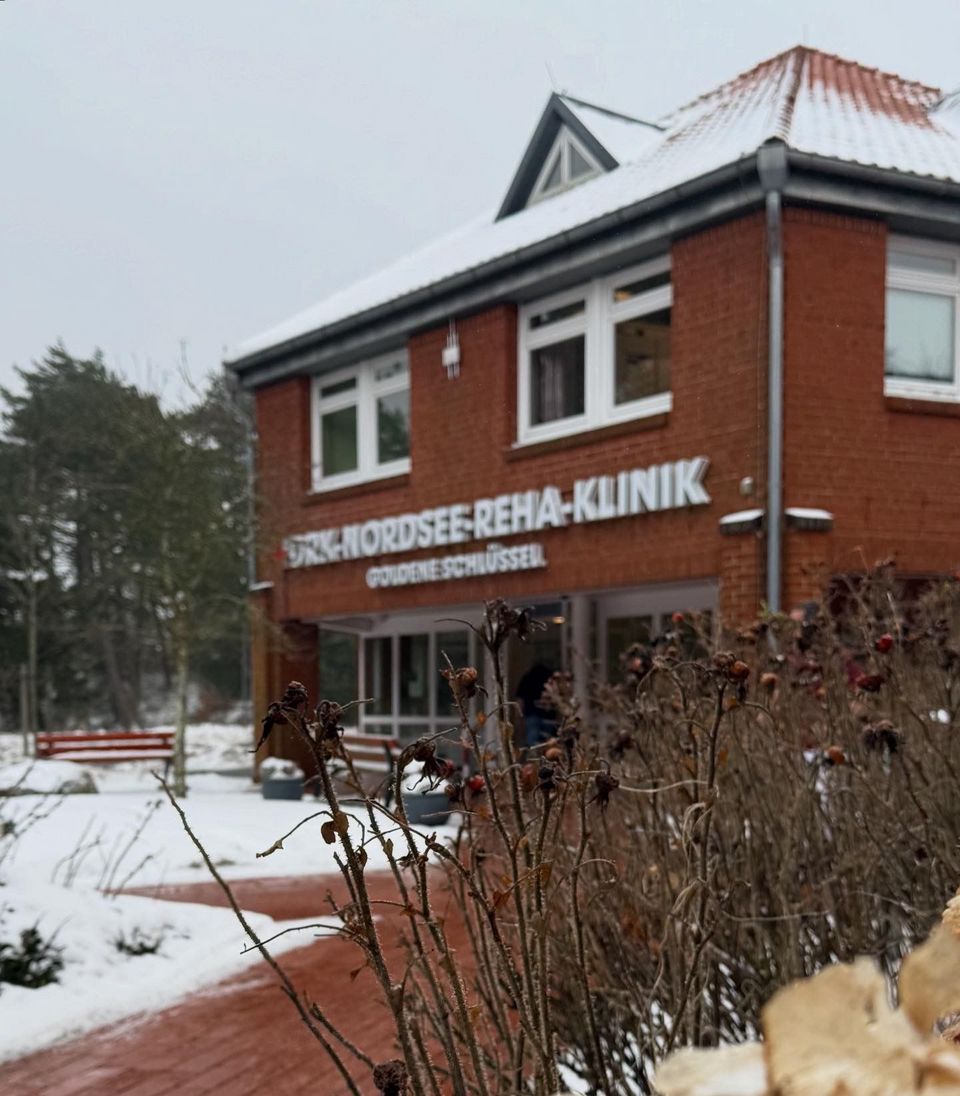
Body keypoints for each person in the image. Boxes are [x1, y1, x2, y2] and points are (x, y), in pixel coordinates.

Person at [514, 661, 555, 750]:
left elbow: (520, 700)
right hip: (548, 716)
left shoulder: (527, 678)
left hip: (531, 715)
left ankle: (534, 760)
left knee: (533, 745)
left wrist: (518, 718)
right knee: (549, 745)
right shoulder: (549, 678)